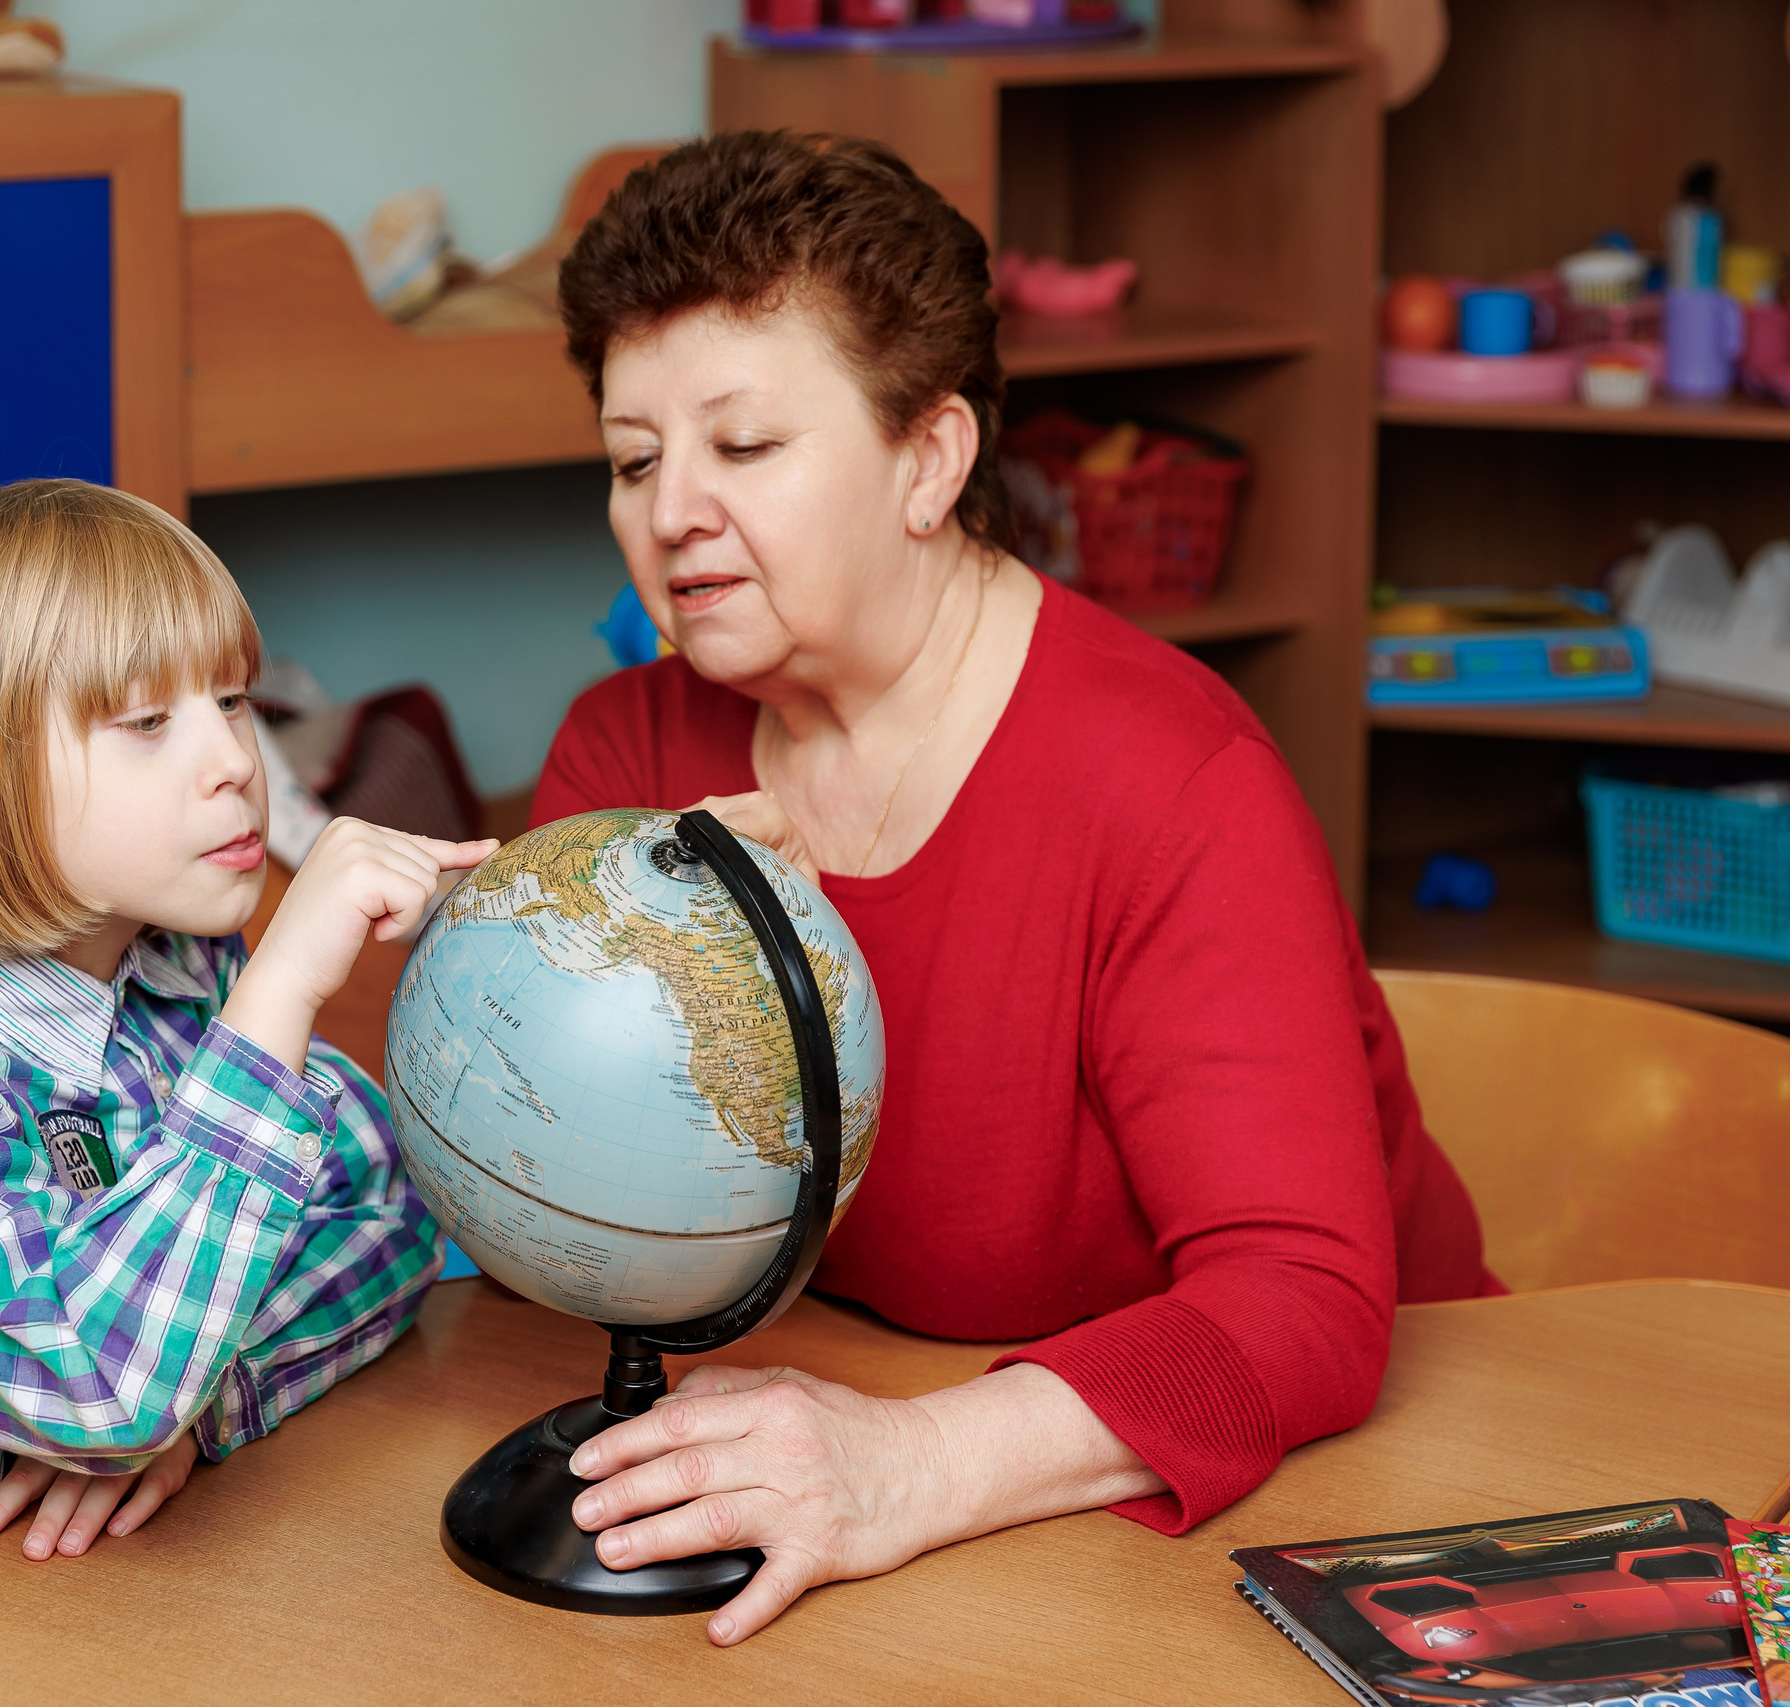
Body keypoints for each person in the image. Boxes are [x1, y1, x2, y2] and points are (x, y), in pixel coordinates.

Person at [534, 132, 1496, 1645]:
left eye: (744, 444)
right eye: (635, 459)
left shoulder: (1174, 785)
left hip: (1318, 1492)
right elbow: (566, 1206)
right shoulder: (629, 748)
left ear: (930, 461)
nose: (670, 513)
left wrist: (909, 1459)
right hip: (906, 1504)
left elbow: (1301, 1296)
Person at [0, 480, 494, 1637]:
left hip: (120, 1625)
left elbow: (392, 1221)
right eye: (144, 724)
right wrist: (281, 990)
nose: (234, 759)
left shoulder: (191, 993)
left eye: (231, 700)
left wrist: (211, 1394)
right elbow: (97, 1384)